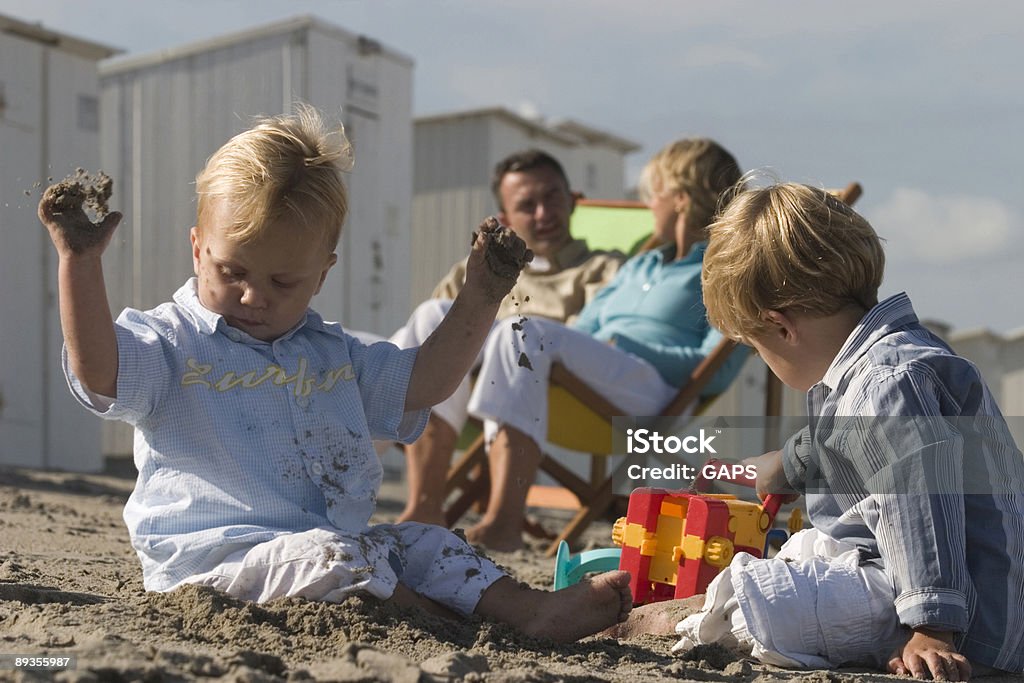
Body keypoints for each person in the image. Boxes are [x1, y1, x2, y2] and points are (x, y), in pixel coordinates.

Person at [38, 106, 631, 642]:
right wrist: (80, 264)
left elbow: (423, 384)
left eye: (282, 282)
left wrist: (480, 296)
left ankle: (529, 612)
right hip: (213, 565)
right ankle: (446, 624)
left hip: (339, 548)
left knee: (430, 541)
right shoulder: (172, 342)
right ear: (197, 250)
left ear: (322, 274)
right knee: (334, 559)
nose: (253, 296)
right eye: (232, 271)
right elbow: (100, 374)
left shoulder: (330, 354)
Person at [617, 182, 1024, 679]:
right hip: (925, 584)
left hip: (966, 621)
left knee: (763, 602)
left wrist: (932, 628)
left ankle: (658, 620)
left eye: (758, 347)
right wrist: (783, 465)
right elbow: (840, 441)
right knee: (803, 551)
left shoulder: (884, 384)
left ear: (782, 327)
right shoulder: (887, 360)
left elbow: (921, 502)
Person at [463, 138, 751, 551]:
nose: (648, 206)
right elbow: (585, 328)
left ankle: (504, 519)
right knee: (499, 332)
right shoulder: (641, 264)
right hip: (598, 382)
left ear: (681, 200)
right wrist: (593, 350)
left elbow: (715, 369)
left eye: (653, 196)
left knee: (522, 332)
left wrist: (630, 344)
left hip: (655, 393)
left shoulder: (725, 271)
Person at [375, 149, 624, 525]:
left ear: (574, 201)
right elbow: (426, 337)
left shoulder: (602, 270)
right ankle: (422, 505)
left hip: (548, 391)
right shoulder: (473, 269)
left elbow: (595, 345)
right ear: (506, 218)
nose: (543, 214)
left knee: (514, 333)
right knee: (426, 317)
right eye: (528, 205)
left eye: (552, 197)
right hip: (463, 392)